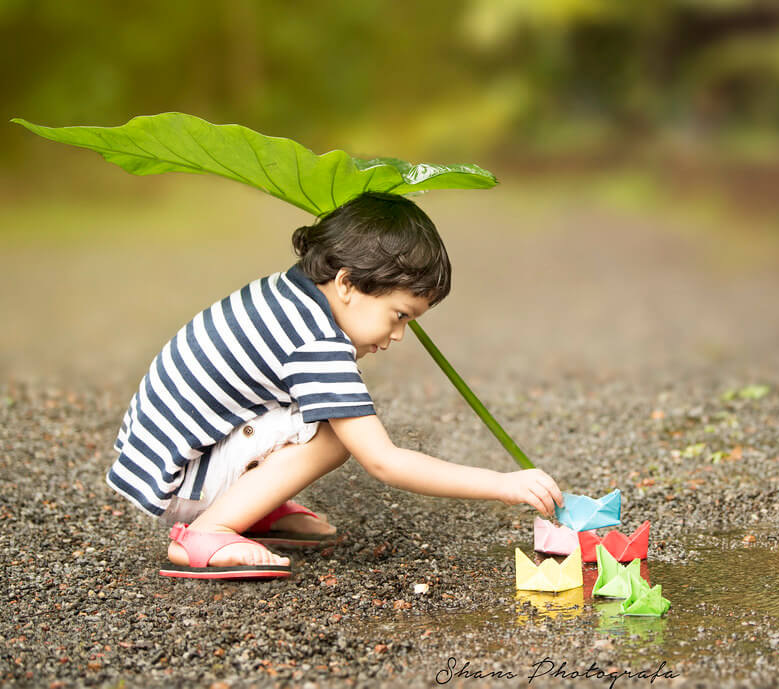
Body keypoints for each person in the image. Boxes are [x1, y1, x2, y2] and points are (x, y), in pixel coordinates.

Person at [108, 191, 563, 579]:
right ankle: (207, 532)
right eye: (400, 315)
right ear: (347, 282)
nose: (399, 334)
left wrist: (389, 314)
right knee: (333, 437)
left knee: (325, 413)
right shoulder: (316, 340)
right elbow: (385, 462)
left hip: (165, 457)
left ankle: (250, 507)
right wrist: (504, 484)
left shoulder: (290, 293)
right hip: (182, 479)